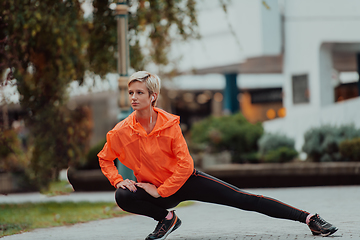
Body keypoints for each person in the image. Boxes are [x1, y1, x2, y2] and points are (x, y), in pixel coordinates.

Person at [98, 71, 338, 240]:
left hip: (185, 181)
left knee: (244, 199)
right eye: (130, 92)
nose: (133, 98)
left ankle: (309, 219)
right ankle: (167, 219)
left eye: (139, 92)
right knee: (123, 195)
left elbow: (185, 164)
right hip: (153, 190)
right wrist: (120, 180)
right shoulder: (122, 131)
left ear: (152, 96)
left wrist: (161, 191)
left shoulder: (169, 125)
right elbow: (105, 158)